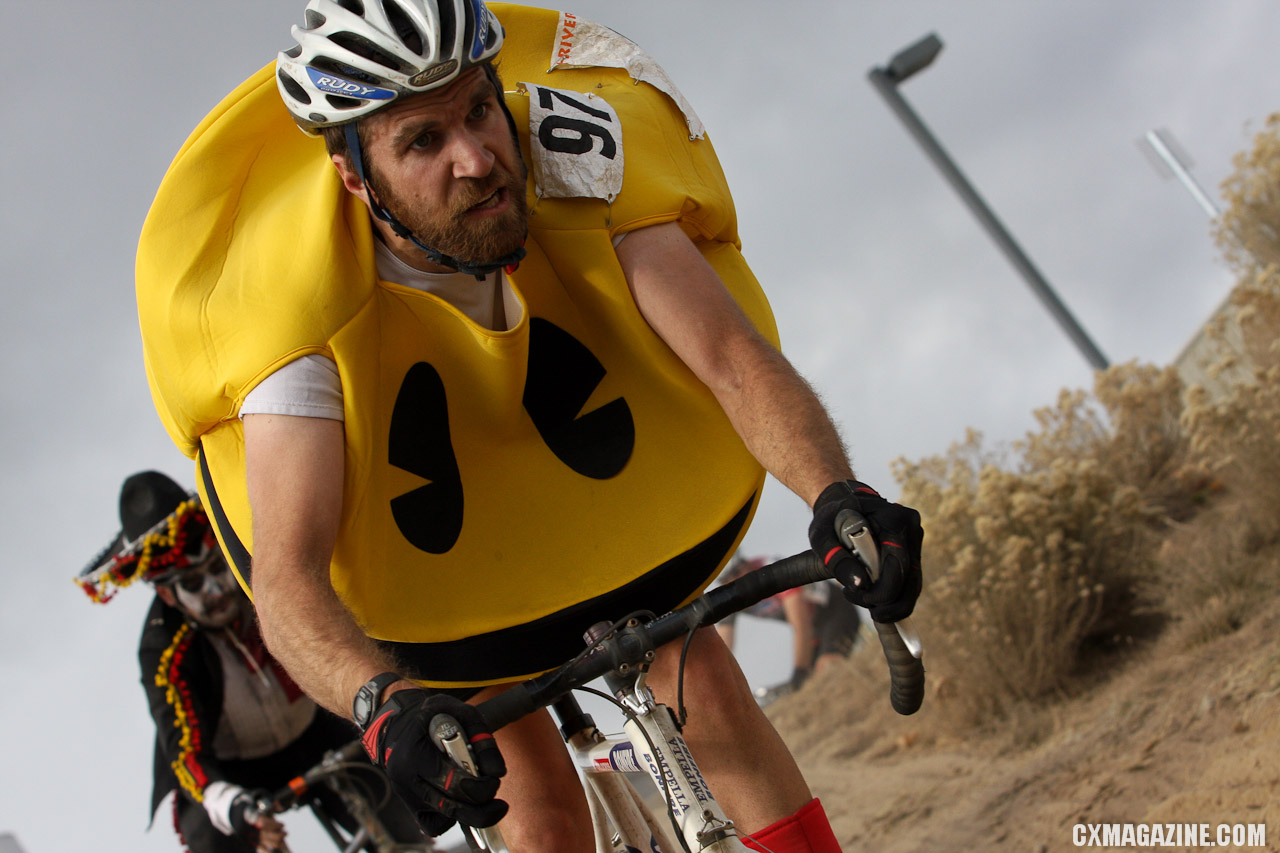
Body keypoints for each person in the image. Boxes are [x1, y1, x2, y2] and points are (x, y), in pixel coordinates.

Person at [133, 3, 924, 852]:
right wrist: (379, 704)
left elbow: (732, 357)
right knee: (534, 801)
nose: (476, 159)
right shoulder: (291, 315)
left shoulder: (575, 161)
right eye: (422, 142)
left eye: (479, 109)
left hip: (595, 505)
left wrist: (839, 494)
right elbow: (287, 578)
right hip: (434, 576)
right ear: (356, 177)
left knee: (714, 700)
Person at [77, 471, 429, 853]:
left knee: (398, 811)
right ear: (167, 593)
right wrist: (233, 807)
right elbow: (185, 752)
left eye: (216, 569)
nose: (215, 591)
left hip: (316, 732)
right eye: (193, 584)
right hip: (230, 769)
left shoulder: (263, 581)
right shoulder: (163, 651)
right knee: (213, 838)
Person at [714, 554, 865, 705]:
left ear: (745, 563)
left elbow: (801, 625)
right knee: (811, 687)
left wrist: (799, 672)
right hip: (814, 627)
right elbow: (722, 650)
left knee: (827, 670)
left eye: (738, 571)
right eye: (729, 579)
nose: (738, 581)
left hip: (834, 611)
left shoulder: (771, 570)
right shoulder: (730, 595)